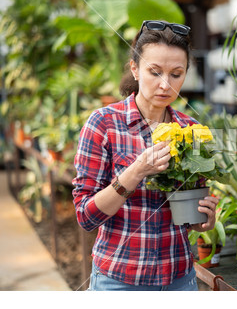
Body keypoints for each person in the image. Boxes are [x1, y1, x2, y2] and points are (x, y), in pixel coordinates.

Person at [72, 20, 219, 291]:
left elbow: (192, 212)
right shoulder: (103, 124)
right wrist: (136, 170)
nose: (165, 84)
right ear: (135, 69)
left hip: (179, 280)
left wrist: (203, 220)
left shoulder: (192, 131)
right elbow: (85, 217)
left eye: (176, 74)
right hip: (118, 283)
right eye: (155, 72)